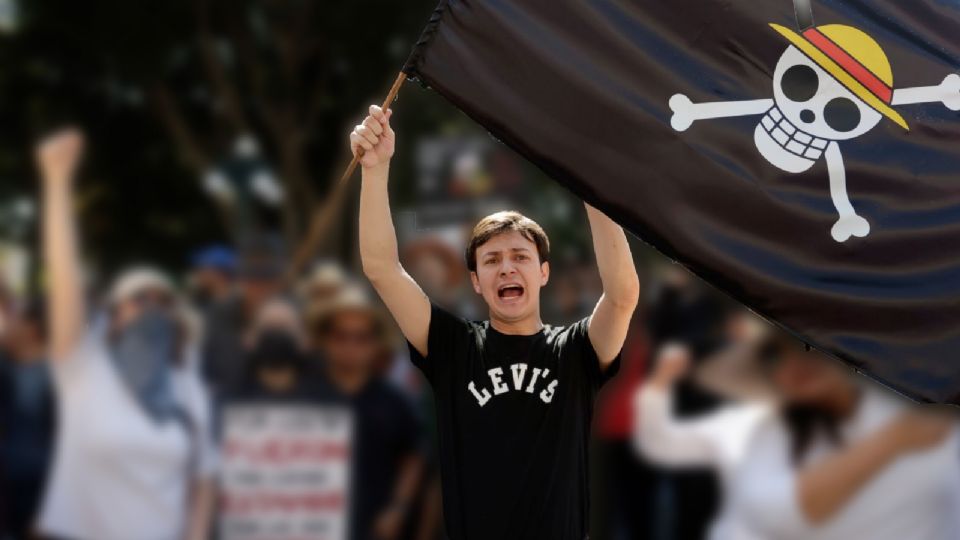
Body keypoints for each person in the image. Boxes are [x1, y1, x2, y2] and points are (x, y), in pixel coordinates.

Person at [352, 105, 640, 540]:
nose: (507, 268)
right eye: (492, 260)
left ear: (543, 273)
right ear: (476, 281)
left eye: (520, 257)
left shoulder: (576, 351)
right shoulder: (452, 346)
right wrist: (375, 170)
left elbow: (621, 297)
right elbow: (382, 269)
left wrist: (590, 185)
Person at [37, 128, 216, 540]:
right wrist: (57, 180)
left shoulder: (186, 384)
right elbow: (64, 281)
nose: (150, 307)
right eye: (138, 299)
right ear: (115, 316)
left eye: (161, 300)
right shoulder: (82, 369)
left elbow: (204, 478)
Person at [634, 335, 960, 540]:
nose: (795, 364)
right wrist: (661, 382)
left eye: (809, 346)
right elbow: (775, 509)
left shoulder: (916, 421)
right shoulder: (753, 427)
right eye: (775, 356)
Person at [316, 286, 425, 540]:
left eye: (361, 338)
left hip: (374, 529)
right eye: (341, 336)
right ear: (325, 340)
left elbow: (413, 455)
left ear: (375, 344)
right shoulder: (305, 399)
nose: (350, 347)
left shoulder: (395, 402)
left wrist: (397, 509)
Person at [0, 299, 56, 539]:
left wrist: (47, 515)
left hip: (37, 496)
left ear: (32, 328)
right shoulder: (6, 366)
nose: (8, 325)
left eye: (15, 319)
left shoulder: (57, 378)